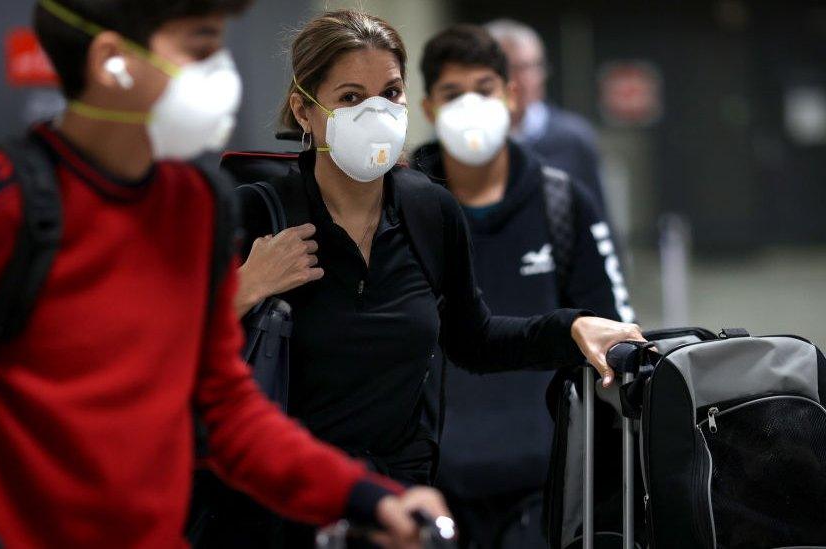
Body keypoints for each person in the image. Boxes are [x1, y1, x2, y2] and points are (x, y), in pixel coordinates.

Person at [0, 1, 453, 547]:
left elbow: (227, 411)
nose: (221, 72)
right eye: (199, 47)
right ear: (111, 61)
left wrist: (368, 500)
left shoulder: (195, 206)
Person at [233, 9, 644, 547]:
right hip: (282, 510)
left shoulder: (429, 210)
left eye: (391, 93)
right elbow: (178, 356)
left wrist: (570, 329)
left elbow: (472, 338)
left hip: (401, 507)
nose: (375, 112)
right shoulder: (259, 213)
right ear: (304, 112)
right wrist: (244, 289)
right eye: (352, 97)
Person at [411, 25, 634, 549]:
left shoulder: (563, 202)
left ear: (512, 96)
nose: (470, 105)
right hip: (433, 485)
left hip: (546, 481)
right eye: (452, 93)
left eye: (483, 89)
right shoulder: (403, 206)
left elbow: (613, 326)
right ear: (428, 107)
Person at [485, 19, 608, 213]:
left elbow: (598, 217)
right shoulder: (466, 139)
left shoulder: (573, 139)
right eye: (512, 68)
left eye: (533, 66)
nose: (525, 79)